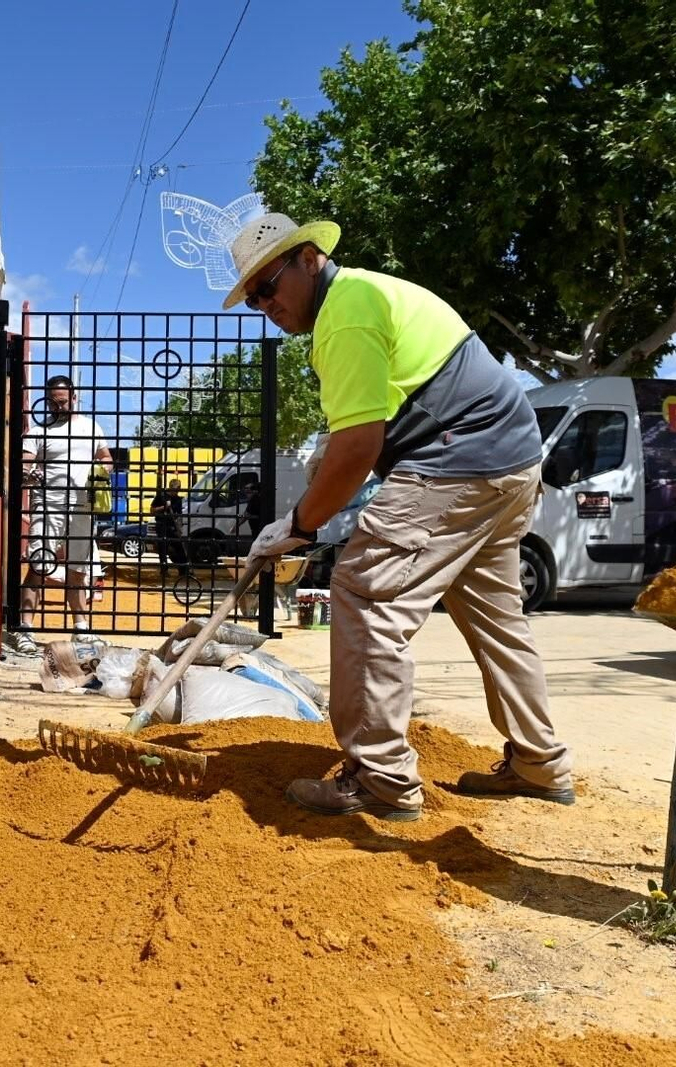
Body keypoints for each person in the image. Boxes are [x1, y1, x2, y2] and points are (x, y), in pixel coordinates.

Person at [223, 212, 575, 820]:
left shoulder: (346, 314)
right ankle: (539, 764)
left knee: (366, 594)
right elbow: (372, 418)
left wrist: (300, 525)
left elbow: (360, 446)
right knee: (495, 619)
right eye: (253, 299)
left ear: (308, 258)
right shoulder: (367, 295)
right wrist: (326, 460)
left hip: (459, 459)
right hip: (511, 462)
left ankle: (380, 779)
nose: (265, 305)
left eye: (268, 286)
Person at [11, 376, 111, 651]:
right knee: (39, 565)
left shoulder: (91, 427)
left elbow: (106, 457)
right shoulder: (38, 431)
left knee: (78, 569)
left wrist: (102, 471)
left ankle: (81, 629)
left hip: (82, 506)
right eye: (53, 403)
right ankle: (26, 630)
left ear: (74, 398)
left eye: (63, 401)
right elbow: (24, 464)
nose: (58, 407)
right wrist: (30, 473)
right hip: (49, 505)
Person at [149, 479, 188, 578]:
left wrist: (179, 528)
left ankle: (183, 570)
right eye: (176, 489)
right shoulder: (161, 496)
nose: (177, 491)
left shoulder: (178, 500)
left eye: (178, 489)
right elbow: (152, 510)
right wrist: (164, 507)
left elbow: (179, 515)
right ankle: (164, 571)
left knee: (179, 547)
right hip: (162, 525)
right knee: (163, 549)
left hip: (172, 526)